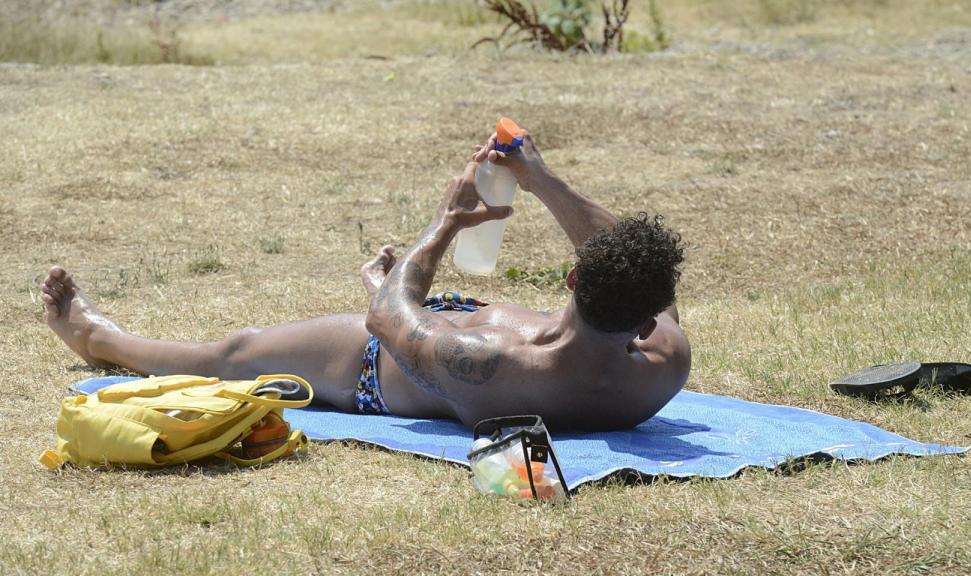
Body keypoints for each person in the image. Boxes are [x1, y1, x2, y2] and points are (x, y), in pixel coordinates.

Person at [40, 132, 690, 431]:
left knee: (235, 353)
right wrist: (541, 180)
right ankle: (102, 338)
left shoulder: (497, 364)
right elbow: (617, 251)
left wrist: (441, 227)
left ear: (573, 277)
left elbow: (388, 316)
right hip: (443, 331)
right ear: (650, 313)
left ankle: (100, 340)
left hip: (380, 366)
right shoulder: (662, 357)